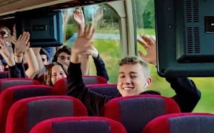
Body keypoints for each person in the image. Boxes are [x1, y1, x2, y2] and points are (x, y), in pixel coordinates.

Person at [66, 25, 201, 116]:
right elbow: (76, 91)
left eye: (133, 75)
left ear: (147, 82)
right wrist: (75, 55)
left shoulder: (161, 107)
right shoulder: (108, 105)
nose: (126, 81)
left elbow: (191, 95)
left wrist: (161, 63)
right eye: (122, 76)